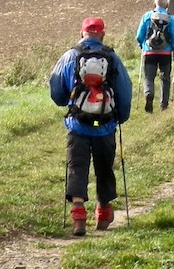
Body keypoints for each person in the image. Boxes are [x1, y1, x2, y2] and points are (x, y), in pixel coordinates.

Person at [49, 16, 133, 236]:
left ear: (81, 34)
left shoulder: (70, 56)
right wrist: (121, 116)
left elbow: (57, 92)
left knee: (77, 167)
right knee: (104, 168)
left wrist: (68, 102)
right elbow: (125, 90)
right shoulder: (112, 58)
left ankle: (78, 217)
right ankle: (104, 213)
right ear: (103, 35)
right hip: (105, 125)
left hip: (78, 124)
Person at [136, 0, 174, 112]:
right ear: (166, 6)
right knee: (165, 78)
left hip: (149, 52)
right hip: (165, 53)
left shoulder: (147, 16)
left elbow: (139, 35)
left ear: (155, 4)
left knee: (149, 77)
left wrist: (142, 45)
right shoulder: (170, 19)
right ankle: (163, 105)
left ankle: (149, 93)